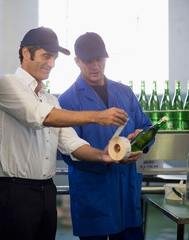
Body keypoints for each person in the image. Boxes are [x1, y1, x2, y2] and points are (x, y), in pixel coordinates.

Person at [0, 27, 141, 240]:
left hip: (46, 191)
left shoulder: (50, 99)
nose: (51, 63)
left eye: (54, 58)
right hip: (16, 192)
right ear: (25, 53)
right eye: (46, 56)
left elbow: (71, 142)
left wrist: (103, 155)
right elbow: (38, 116)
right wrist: (98, 116)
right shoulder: (5, 84)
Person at [58, 32, 153, 240]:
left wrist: (141, 140)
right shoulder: (68, 101)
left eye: (99, 59)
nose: (95, 66)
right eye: (88, 60)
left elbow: (146, 125)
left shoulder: (124, 93)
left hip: (126, 193)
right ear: (77, 62)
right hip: (94, 195)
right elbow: (68, 152)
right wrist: (107, 156)